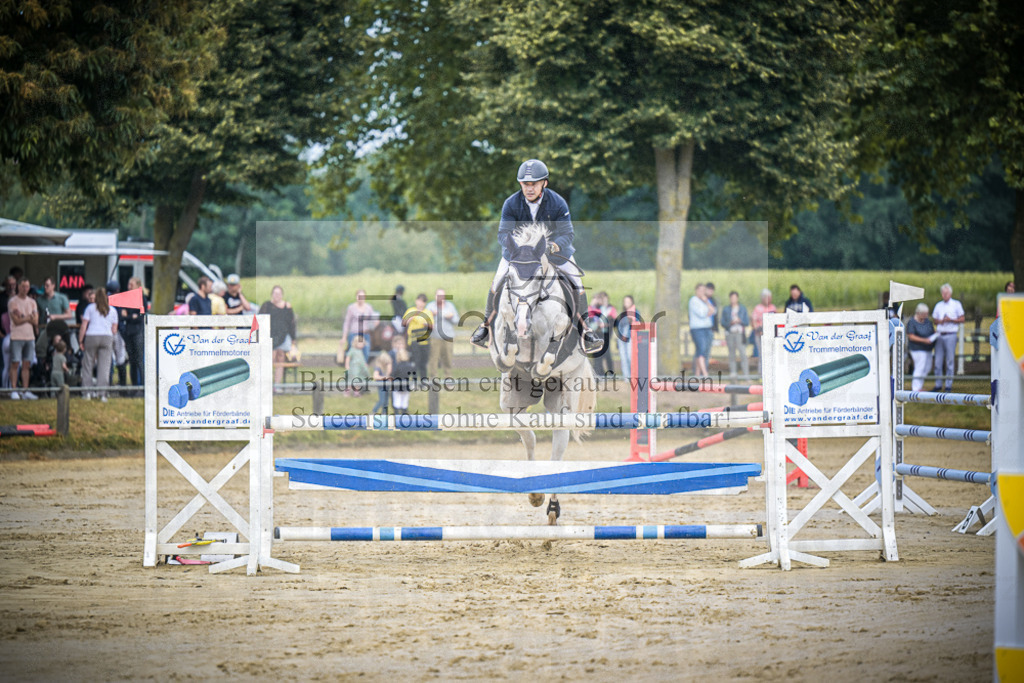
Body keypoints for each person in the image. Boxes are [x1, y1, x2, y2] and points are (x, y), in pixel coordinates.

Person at [469, 159, 602, 353]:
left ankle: (586, 331)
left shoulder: (557, 202)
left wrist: (553, 246)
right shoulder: (511, 203)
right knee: (497, 280)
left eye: (534, 184)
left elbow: (568, 234)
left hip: (554, 253)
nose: (529, 188)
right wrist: (516, 250)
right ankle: (485, 327)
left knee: (576, 281)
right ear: (520, 184)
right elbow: (503, 234)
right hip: (518, 254)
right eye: (525, 184)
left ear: (544, 183)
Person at [78, 286, 118, 401]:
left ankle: (87, 393)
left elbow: (84, 326)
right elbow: (114, 329)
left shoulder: (90, 308)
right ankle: (102, 394)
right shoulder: (112, 310)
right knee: (104, 366)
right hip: (107, 337)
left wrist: (81, 340)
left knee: (88, 364)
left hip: (92, 336)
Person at [258, 286, 297, 388]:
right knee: (271, 358)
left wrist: (293, 339)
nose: (277, 296)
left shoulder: (287, 306)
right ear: (272, 294)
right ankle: (267, 385)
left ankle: (277, 385)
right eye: (275, 293)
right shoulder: (267, 306)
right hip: (270, 336)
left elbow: (291, 323)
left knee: (280, 357)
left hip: (283, 336)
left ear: (282, 295)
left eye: (279, 294)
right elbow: (260, 320)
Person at [7, 277, 39, 400]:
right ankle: (14, 389)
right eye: (23, 286)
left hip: (29, 336)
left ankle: (25, 390)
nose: (25, 289)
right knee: (15, 363)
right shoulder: (13, 301)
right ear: (18, 286)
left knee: (27, 364)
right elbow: (16, 320)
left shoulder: (32, 302)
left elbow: (35, 320)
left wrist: (24, 317)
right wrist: (28, 317)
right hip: (16, 336)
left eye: (27, 286)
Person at [931, 283, 964, 392]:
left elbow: (962, 318)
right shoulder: (938, 305)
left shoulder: (956, 304)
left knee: (950, 361)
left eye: (946, 293)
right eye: (943, 293)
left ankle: (948, 385)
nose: (944, 295)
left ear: (950, 293)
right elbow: (934, 320)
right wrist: (941, 321)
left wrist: (951, 320)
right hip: (940, 335)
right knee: (938, 361)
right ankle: (938, 384)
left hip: (951, 335)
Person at [120, 277, 148, 388]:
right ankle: (134, 385)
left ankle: (143, 386)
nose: (129, 286)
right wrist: (132, 316)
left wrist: (129, 316)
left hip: (138, 331)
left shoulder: (142, 298)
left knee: (139, 359)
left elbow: (141, 316)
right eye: (129, 284)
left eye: (131, 284)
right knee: (132, 360)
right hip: (129, 332)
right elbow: (123, 316)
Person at [425, 289, 458, 379]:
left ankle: (448, 377)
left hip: (448, 337)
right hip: (434, 336)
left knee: (447, 357)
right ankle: (433, 378)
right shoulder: (430, 306)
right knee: (434, 358)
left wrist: (450, 317)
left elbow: (456, 320)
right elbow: (424, 320)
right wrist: (431, 315)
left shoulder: (450, 306)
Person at [905, 303, 937, 392]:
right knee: (920, 367)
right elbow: (911, 336)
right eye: (924, 314)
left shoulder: (927, 321)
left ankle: (920, 386)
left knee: (927, 367)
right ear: (919, 313)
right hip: (917, 349)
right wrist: (924, 340)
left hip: (928, 348)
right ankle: (915, 388)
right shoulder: (912, 322)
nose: (926, 316)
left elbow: (932, 330)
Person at [341, 289, 378, 362]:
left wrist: (372, 326)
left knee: (366, 353)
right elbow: (347, 323)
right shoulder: (351, 308)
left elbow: (374, 319)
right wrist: (344, 337)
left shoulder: (368, 307)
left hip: (365, 334)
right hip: (355, 334)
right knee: (354, 354)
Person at [687, 283, 715, 377]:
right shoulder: (693, 301)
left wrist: (706, 302)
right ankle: (705, 374)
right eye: (701, 290)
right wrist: (708, 310)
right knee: (701, 349)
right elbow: (702, 313)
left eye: (704, 290)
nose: (703, 292)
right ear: (697, 290)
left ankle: (697, 374)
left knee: (703, 350)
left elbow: (713, 311)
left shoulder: (704, 301)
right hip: (698, 329)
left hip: (706, 328)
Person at [404, 293, 433, 379]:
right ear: (416, 301)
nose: (421, 303)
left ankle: (424, 380)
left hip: (425, 341)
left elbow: (431, 325)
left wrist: (425, 324)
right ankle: (414, 380)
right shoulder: (411, 311)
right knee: (415, 361)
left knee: (423, 362)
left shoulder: (427, 312)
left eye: (423, 301)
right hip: (414, 341)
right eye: (419, 301)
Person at [721, 291, 750, 378]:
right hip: (730, 333)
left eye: (735, 298)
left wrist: (740, 321)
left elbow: (747, 322)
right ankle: (733, 373)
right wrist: (731, 323)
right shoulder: (726, 309)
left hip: (740, 333)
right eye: (732, 298)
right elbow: (723, 323)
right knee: (732, 354)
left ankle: (746, 374)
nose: (733, 299)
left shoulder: (742, 309)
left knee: (743, 353)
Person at [615, 295, 642, 378]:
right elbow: (618, 326)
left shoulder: (635, 312)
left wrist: (632, 321)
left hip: (631, 338)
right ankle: (626, 377)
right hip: (622, 338)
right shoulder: (622, 314)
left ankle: (634, 375)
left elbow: (638, 324)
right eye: (625, 301)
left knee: (631, 357)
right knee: (623, 358)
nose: (626, 303)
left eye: (628, 301)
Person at [750, 289, 775, 367]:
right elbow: (753, 320)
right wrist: (757, 329)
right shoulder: (757, 308)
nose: (768, 299)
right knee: (761, 354)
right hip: (760, 333)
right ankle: (761, 373)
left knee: (771, 353)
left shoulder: (772, 308)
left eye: (769, 297)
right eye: (766, 297)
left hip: (770, 333)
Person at [391, 346, 416, 415]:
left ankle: (397, 417)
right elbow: (414, 374)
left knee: (397, 401)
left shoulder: (397, 365)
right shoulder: (409, 365)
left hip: (397, 386)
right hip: (406, 385)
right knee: (404, 402)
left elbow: (392, 374)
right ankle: (404, 416)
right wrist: (413, 383)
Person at [371, 349, 393, 414]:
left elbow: (388, 374)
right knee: (382, 401)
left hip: (387, 386)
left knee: (386, 402)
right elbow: (375, 376)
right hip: (381, 386)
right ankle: (373, 412)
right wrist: (385, 377)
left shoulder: (386, 367)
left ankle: (384, 414)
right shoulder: (378, 368)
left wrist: (389, 367)